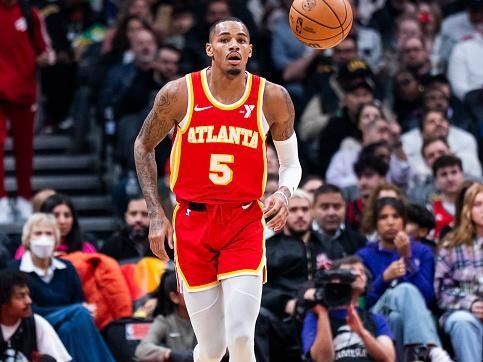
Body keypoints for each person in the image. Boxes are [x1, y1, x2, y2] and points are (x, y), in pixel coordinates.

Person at [134, 17, 302, 362]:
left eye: (242, 39)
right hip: (193, 223)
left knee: (241, 338)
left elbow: (291, 165)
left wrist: (284, 194)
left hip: (243, 222)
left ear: (251, 50)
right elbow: (142, 146)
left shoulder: (272, 97)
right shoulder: (179, 94)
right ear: (210, 49)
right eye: (225, 39)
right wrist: (155, 213)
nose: (234, 45)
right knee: (211, 349)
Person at [9, 213, 115, 362]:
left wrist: (73, 311)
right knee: (80, 313)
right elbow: (30, 309)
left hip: (68, 323)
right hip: (36, 324)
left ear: (56, 239)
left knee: (69, 329)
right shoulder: (16, 270)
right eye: (38, 233)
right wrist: (72, 310)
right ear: (28, 238)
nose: (43, 238)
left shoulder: (67, 267)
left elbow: (79, 299)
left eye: (49, 233)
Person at [356, 198, 451, 361]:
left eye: (396, 216)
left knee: (396, 318)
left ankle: (416, 357)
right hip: (377, 312)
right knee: (404, 290)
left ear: (404, 221)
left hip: (408, 317)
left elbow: (428, 298)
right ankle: (432, 349)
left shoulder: (422, 252)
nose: (390, 222)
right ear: (375, 223)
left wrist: (407, 259)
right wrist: (384, 279)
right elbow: (363, 302)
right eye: (383, 217)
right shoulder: (364, 255)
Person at [0, 0, 54, 223]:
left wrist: (41, 58)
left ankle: (24, 199)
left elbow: (47, 52)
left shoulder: (29, 13)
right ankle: (1, 201)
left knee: (25, 150)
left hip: (24, 91)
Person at [301, 256, 395, 362]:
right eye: (351, 271)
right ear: (335, 280)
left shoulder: (376, 319)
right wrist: (323, 315)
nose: (359, 274)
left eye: (362, 272)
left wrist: (361, 333)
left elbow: (388, 358)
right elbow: (323, 360)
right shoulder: (315, 317)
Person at [435, 182, 483, 362]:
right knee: (462, 322)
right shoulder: (451, 245)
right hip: (465, 313)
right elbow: (441, 290)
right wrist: (471, 303)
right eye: (478, 204)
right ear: (467, 210)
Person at [0, 269, 71, 362]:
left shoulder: (37, 323)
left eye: (28, 295)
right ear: (3, 302)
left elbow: (60, 360)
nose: (29, 301)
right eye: (21, 296)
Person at [135, 270, 196, 362]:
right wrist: (170, 354)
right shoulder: (164, 321)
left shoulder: (207, 319)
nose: (196, 294)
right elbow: (142, 350)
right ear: (174, 297)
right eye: (189, 290)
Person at [101, 195, 154, 261]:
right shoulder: (112, 246)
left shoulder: (165, 245)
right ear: (126, 217)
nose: (138, 219)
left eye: (145, 214)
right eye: (133, 214)